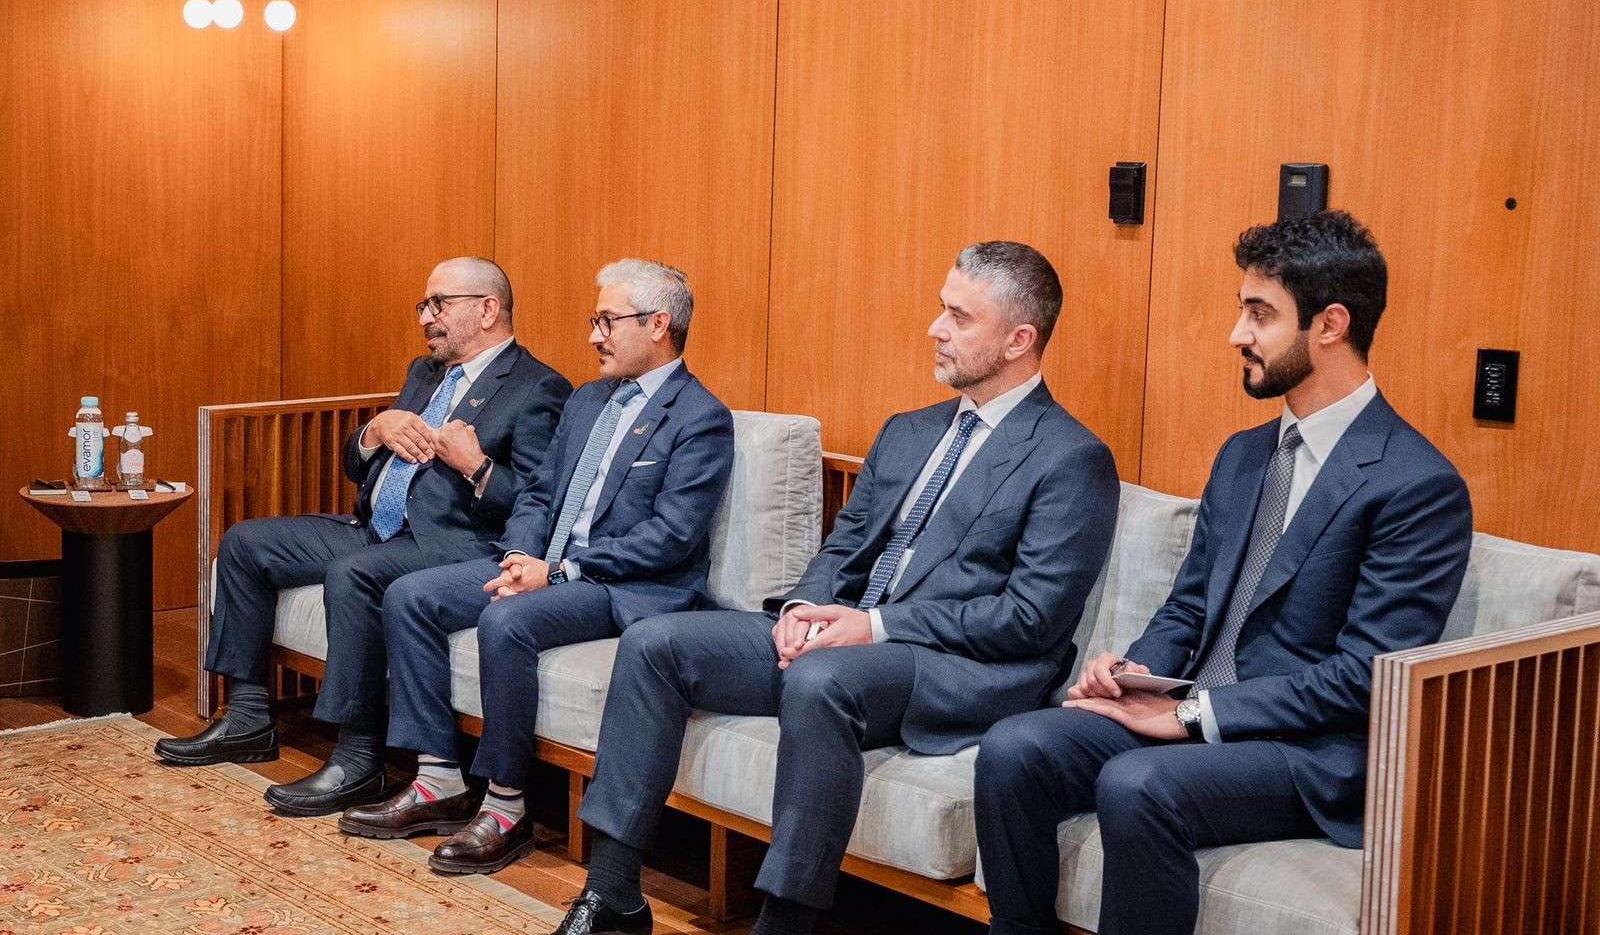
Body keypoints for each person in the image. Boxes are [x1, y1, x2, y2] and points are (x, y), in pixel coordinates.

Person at [548, 241, 1120, 935]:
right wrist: (801, 609)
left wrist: (873, 628)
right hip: (845, 639)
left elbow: (1030, 618)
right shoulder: (909, 431)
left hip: (954, 668)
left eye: (960, 317)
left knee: (823, 682)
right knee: (655, 643)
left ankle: (786, 922)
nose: (936, 328)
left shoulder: (1071, 457)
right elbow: (844, 545)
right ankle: (613, 892)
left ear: (1018, 340)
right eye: (942, 309)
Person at [974, 211, 1474, 935]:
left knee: (1137, 782)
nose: (1238, 334)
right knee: (1014, 748)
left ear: (1330, 325)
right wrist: (1134, 672)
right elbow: (1188, 606)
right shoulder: (1243, 455)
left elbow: (1366, 676)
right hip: (1191, 711)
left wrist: (1193, 715)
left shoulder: (1415, 483)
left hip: (1305, 752)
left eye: (1260, 314)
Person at [339, 259, 735, 877]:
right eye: (594, 320)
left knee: (507, 622)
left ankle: (505, 806)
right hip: (547, 566)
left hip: (627, 586)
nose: (594, 336)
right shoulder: (587, 400)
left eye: (607, 321)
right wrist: (521, 556)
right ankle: (439, 780)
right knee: (411, 596)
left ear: (658, 325)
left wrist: (559, 572)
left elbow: (669, 539)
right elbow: (539, 494)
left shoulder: (700, 417)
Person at [156, 257, 572, 820]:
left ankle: (357, 758)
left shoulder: (537, 387)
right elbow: (359, 467)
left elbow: (537, 502)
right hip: (375, 528)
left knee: (352, 575)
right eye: (423, 306)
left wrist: (477, 467)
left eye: (439, 305)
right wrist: (373, 432)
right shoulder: (425, 373)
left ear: (487, 309)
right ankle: (249, 717)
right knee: (246, 543)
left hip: (453, 544)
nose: (425, 318)